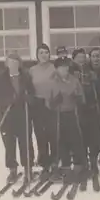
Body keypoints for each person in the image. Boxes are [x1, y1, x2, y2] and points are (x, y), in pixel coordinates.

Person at [0, 52, 35, 183]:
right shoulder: (1, 78)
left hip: (23, 114)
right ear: (6, 64)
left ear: (19, 64)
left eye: (16, 62)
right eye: (11, 62)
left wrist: (29, 98)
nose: (13, 65)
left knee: (26, 143)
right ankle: (12, 170)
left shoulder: (26, 77)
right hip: (8, 116)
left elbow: (32, 92)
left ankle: (28, 169)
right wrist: (7, 101)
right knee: (9, 144)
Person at [45, 57, 86, 181]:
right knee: (61, 140)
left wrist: (78, 98)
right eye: (62, 67)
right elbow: (47, 103)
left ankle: (79, 166)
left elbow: (81, 96)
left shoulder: (74, 80)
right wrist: (53, 102)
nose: (65, 69)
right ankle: (65, 166)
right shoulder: (52, 81)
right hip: (58, 115)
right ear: (56, 69)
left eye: (67, 66)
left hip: (72, 113)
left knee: (76, 139)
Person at [28, 44, 56, 174]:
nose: (44, 55)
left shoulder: (54, 68)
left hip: (52, 103)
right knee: (40, 132)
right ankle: (43, 158)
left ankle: (55, 158)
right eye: (41, 53)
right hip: (37, 104)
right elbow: (28, 87)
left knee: (52, 132)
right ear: (37, 55)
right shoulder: (32, 70)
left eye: (46, 52)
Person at [82, 48, 100, 176]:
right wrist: (91, 81)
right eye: (93, 56)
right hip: (89, 108)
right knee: (91, 136)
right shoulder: (86, 71)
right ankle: (92, 161)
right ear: (90, 58)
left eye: (98, 56)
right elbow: (84, 90)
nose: (96, 59)